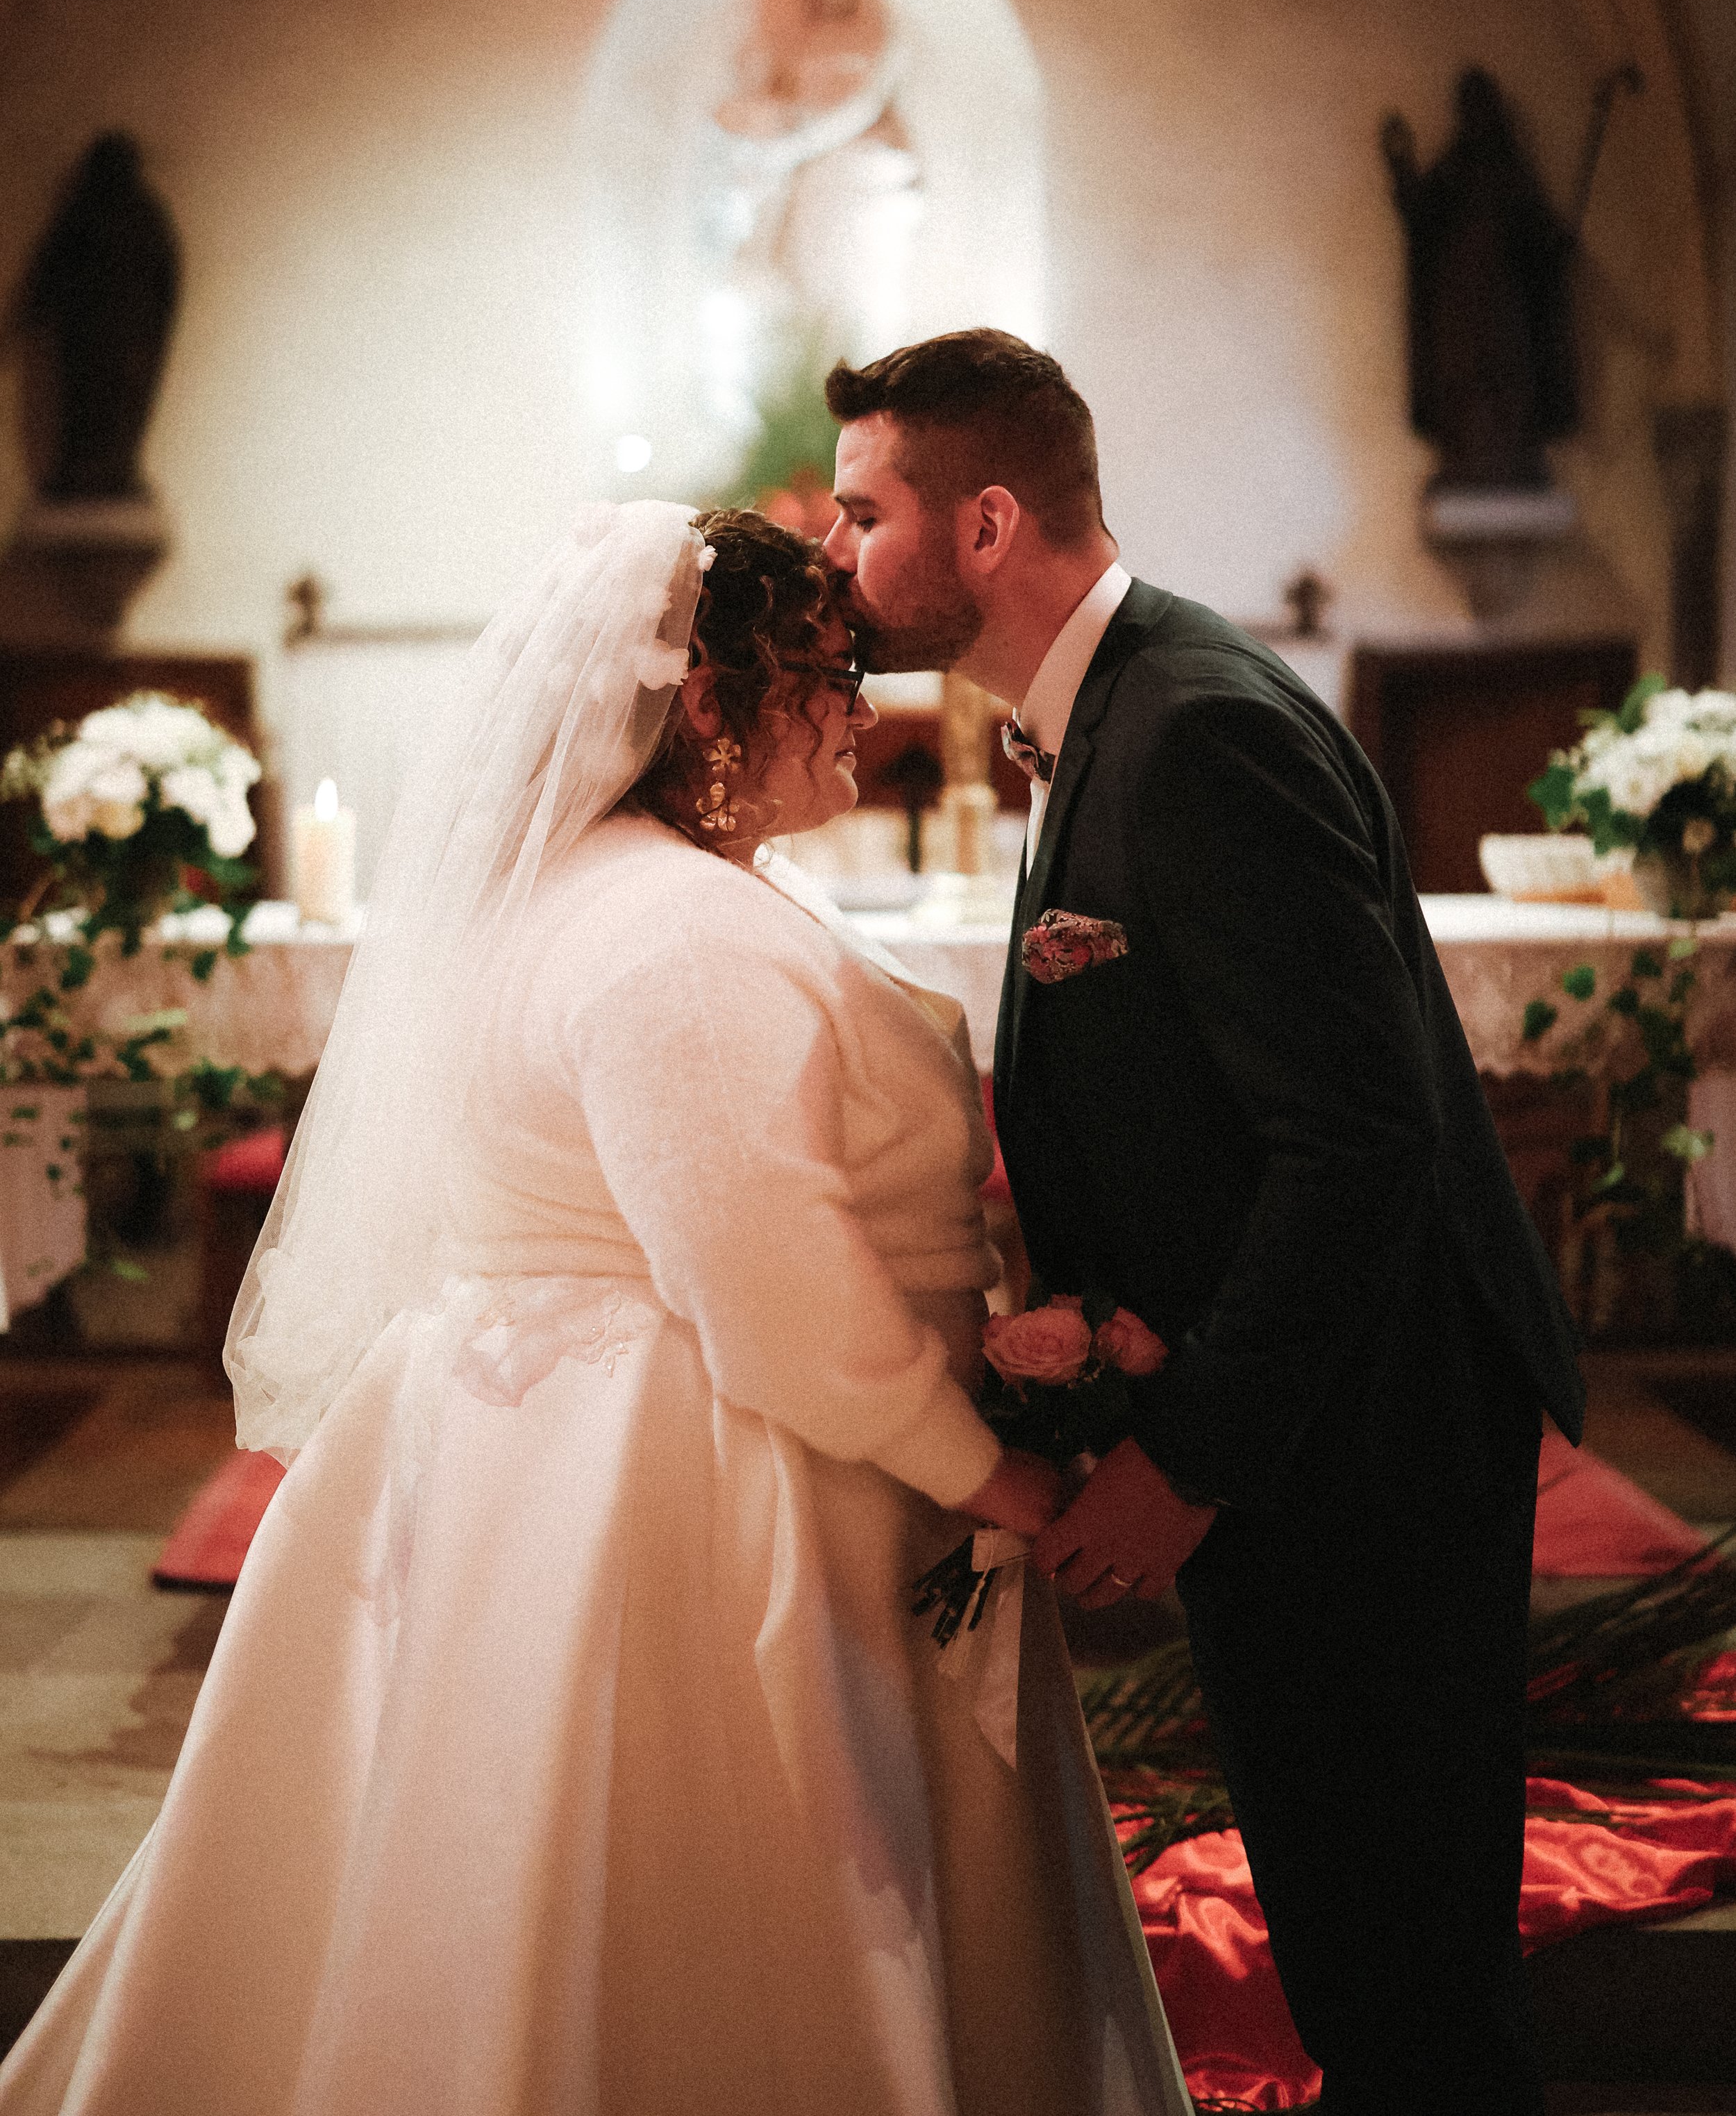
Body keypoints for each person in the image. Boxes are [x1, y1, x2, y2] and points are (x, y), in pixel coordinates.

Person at [0, 501, 1189, 2116]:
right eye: (826, 674)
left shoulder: (597, 888)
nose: (862, 709)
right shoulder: (672, 934)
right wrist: (994, 1472)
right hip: (709, 1477)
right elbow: (769, 1293)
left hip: (560, 1443)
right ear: (706, 706)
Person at [822, 331, 1587, 2116]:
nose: (843, 555)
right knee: (1357, 1957)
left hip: (1362, 1446)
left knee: (1404, 1976)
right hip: (1307, 1425)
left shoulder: (1195, 732)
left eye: (866, 516)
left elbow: (1356, 1139)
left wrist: (1186, 1456)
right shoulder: (1109, 712)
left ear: (988, 520)